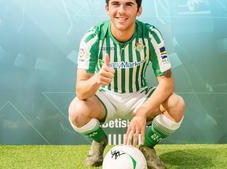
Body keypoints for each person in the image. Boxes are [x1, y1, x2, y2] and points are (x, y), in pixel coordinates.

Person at [68, 0, 185, 168]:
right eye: (116, 4)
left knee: (176, 104)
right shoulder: (93, 37)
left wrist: (142, 112)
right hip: (106, 98)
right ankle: (100, 140)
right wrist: (97, 79)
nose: (121, 10)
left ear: (139, 10)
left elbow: (167, 84)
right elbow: (80, 91)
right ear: (107, 9)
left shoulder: (150, 35)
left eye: (129, 4)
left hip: (140, 96)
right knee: (77, 110)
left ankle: (147, 147)